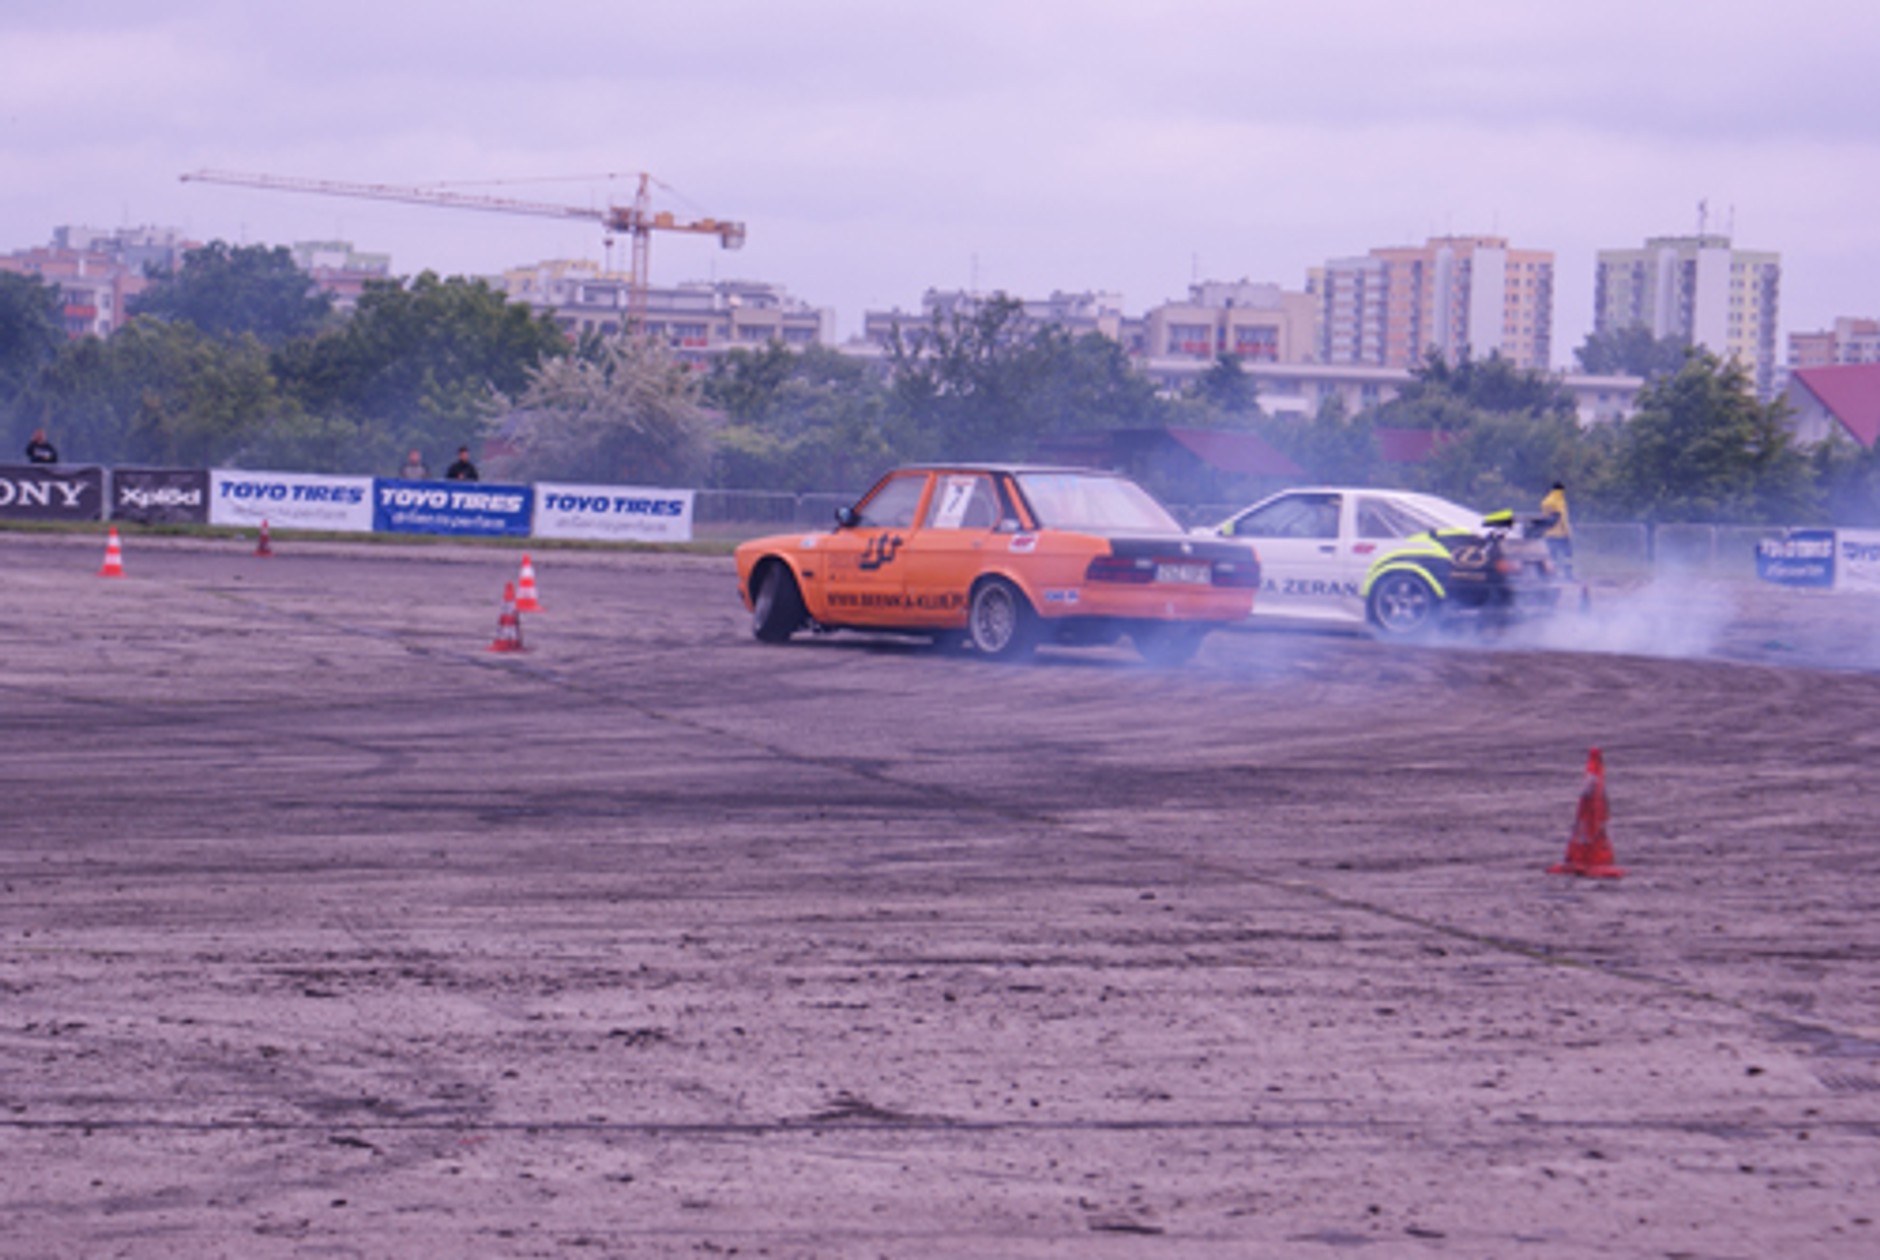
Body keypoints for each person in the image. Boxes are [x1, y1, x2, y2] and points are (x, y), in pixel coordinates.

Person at [1540, 481, 1574, 578]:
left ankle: (1551, 577)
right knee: (1567, 556)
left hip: (1548, 533)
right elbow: (1563, 518)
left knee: (1552, 557)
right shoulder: (1560, 501)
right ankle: (1568, 576)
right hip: (1561, 534)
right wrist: (1568, 532)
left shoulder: (1545, 501)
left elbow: (1545, 517)